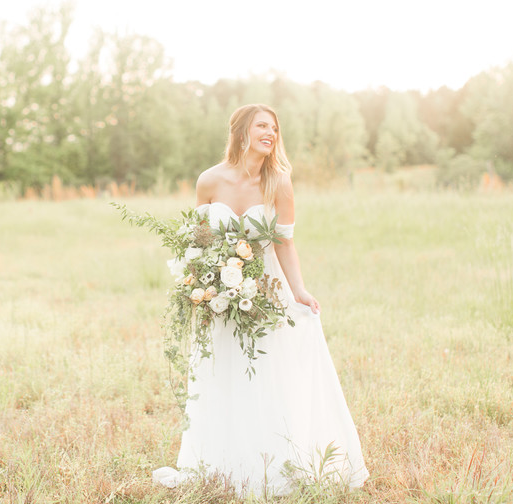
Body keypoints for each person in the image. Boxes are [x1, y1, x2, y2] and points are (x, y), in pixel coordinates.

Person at [153, 103, 369, 496]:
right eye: (263, 126)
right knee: (224, 373)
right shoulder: (209, 180)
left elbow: (284, 243)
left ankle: (273, 463)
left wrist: (300, 290)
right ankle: (221, 464)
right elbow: (198, 240)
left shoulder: (279, 182)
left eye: (275, 128)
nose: (271, 133)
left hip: (265, 293)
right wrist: (199, 285)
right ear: (241, 133)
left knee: (269, 374)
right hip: (218, 295)